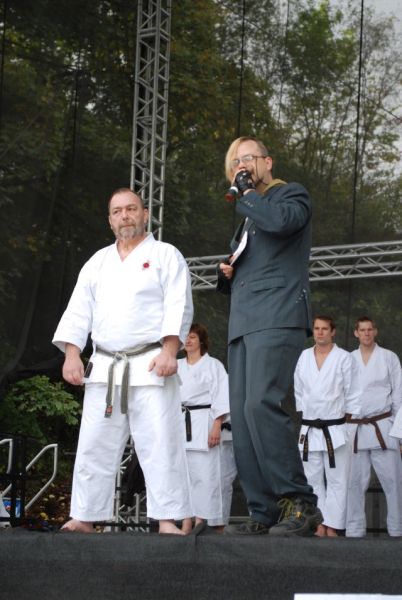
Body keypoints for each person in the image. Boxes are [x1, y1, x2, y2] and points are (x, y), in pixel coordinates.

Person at [52, 188, 194, 535]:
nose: (125, 215)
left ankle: (167, 519)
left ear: (145, 214)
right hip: (105, 366)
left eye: (131, 209)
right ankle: (85, 516)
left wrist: (169, 350)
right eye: (117, 211)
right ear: (110, 220)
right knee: (93, 445)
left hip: (150, 363)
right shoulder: (97, 262)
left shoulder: (165, 255)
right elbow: (78, 311)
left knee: (160, 443)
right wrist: (72, 354)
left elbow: (178, 304)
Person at [217, 136, 322, 536]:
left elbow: (282, 223)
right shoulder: (249, 217)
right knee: (244, 416)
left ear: (268, 161)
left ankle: (300, 502)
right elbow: (246, 261)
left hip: (277, 313)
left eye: (247, 159)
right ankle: (264, 510)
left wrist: (246, 193)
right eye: (235, 163)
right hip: (243, 321)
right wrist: (227, 272)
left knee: (262, 403)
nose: (241, 167)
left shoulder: (289, 195)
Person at [294, 316, 361, 537]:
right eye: (316, 328)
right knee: (312, 479)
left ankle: (334, 526)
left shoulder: (343, 358)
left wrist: (345, 420)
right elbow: (299, 390)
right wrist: (306, 413)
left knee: (337, 480)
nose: (320, 332)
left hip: (335, 428)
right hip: (310, 427)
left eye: (324, 329)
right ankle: (319, 524)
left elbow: (353, 391)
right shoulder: (304, 356)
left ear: (333, 332)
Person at [346, 316, 402, 538]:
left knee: (393, 482)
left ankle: (397, 530)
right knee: (353, 484)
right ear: (356, 333)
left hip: (383, 427)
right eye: (362, 330)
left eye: (370, 329)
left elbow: (399, 395)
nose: (366, 333)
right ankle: (354, 530)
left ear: (375, 332)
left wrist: (399, 432)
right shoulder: (348, 359)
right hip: (355, 429)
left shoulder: (389, 357)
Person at [178, 323, 237, 534]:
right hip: (181, 423)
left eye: (193, 337)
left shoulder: (213, 365)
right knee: (184, 477)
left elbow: (222, 396)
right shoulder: (177, 365)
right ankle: (186, 520)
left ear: (201, 341)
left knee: (206, 476)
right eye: (186, 337)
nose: (188, 340)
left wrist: (217, 425)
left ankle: (201, 521)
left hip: (205, 421)